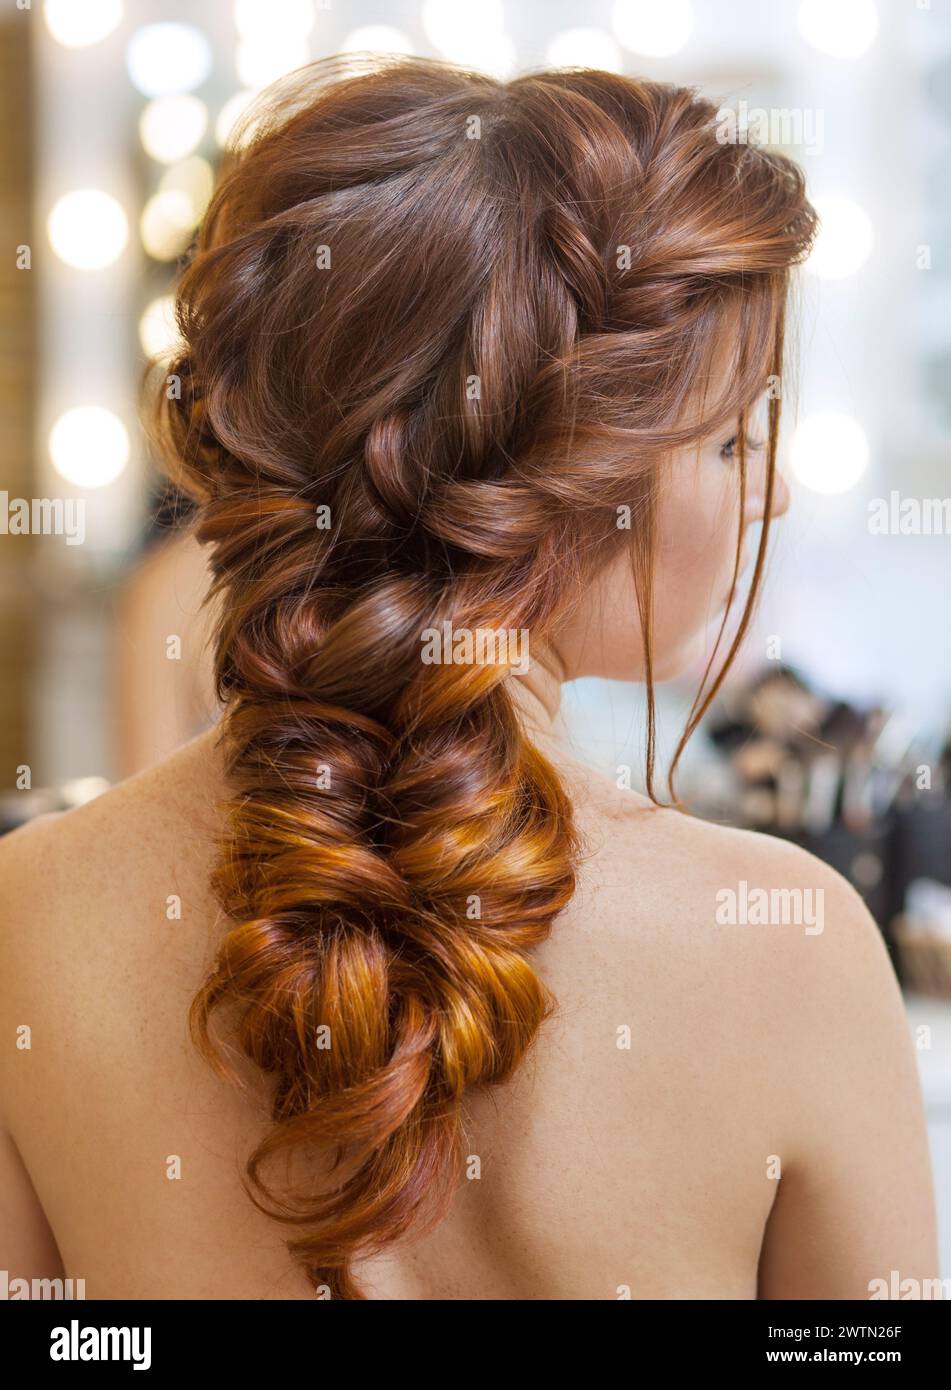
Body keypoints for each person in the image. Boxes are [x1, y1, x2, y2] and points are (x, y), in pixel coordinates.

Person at [0, 58, 937, 1301]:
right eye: (725, 439)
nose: (764, 487)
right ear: (550, 478)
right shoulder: (794, 949)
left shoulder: (29, 913)